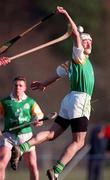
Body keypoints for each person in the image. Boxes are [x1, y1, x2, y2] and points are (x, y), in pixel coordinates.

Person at [11, 6, 95, 180]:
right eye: (85, 41)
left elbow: (57, 74)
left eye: (90, 41)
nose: (88, 43)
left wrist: (44, 84)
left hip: (69, 101)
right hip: (80, 100)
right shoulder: (79, 58)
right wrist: (66, 15)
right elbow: (75, 36)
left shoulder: (72, 64)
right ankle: (56, 171)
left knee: (51, 134)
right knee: (79, 142)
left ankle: (23, 147)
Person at [0, 76, 44, 180]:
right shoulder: (5, 102)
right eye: (16, 85)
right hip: (9, 137)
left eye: (20, 86)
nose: (18, 87)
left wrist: (38, 120)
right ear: (12, 86)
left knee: (33, 166)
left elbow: (40, 114)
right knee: (1, 164)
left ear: (24, 88)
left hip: (26, 138)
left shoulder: (30, 102)